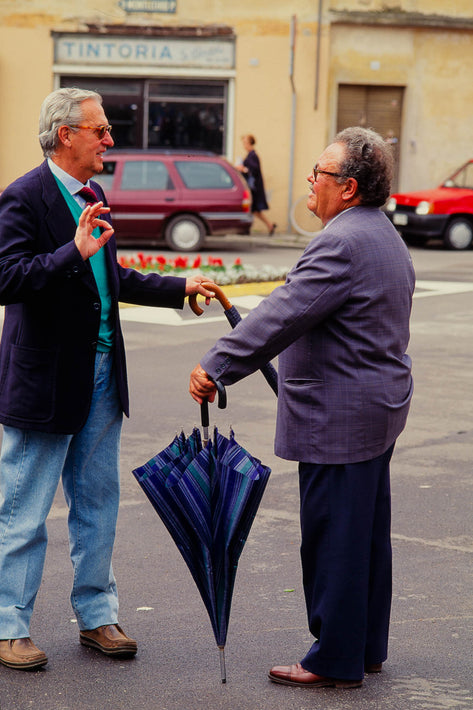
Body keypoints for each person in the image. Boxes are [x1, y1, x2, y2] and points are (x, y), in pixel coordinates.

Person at [190, 126, 415, 689]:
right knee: (364, 535)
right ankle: (365, 647)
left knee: (333, 537)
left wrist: (216, 364)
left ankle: (334, 659)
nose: (310, 182)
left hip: (341, 418)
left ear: (351, 188)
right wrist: (236, 313)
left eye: (321, 174)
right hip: (373, 410)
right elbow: (308, 310)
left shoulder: (340, 241)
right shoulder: (380, 234)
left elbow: (286, 313)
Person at [0, 87, 214, 671]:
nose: (110, 139)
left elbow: (108, 275)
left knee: (98, 502)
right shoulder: (23, 198)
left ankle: (97, 615)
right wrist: (71, 250)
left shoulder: (92, 195)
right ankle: (8, 626)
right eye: (100, 130)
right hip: (44, 380)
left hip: (99, 374)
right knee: (24, 508)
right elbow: (8, 279)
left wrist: (178, 286)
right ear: (66, 135)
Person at [236, 134, 276, 235]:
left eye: (245, 143)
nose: (244, 145)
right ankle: (269, 225)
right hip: (252, 186)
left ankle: (265, 226)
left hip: (254, 187)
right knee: (253, 209)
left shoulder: (253, 155)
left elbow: (254, 170)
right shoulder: (251, 155)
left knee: (253, 208)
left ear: (249, 143)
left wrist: (243, 169)